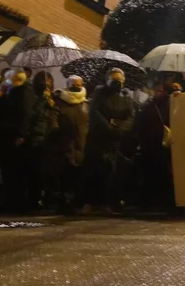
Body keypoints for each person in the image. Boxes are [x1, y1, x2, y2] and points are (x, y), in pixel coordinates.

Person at [83, 69, 136, 213]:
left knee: (112, 172)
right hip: (99, 138)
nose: (117, 81)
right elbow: (95, 112)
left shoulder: (126, 96)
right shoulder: (99, 93)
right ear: (107, 79)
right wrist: (109, 128)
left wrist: (121, 129)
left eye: (120, 78)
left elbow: (131, 115)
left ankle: (108, 202)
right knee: (94, 169)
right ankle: (90, 201)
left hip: (116, 139)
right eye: (114, 78)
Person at [0, 68, 34, 211]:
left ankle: (13, 202)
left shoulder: (22, 93)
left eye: (7, 79)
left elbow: (24, 114)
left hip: (13, 137)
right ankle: (10, 200)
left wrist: (21, 134)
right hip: (9, 136)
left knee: (13, 171)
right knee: (9, 170)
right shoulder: (15, 92)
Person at [134, 77, 176, 212]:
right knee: (158, 174)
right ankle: (160, 203)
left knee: (157, 175)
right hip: (157, 145)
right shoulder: (153, 105)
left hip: (157, 145)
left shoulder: (153, 105)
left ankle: (154, 203)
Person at [54, 75, 89, 213]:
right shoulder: (60, 101)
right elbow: (54, 120)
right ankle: (64, 203)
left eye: (79, 84)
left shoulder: (85, 103)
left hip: (82, 143)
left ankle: (76, 202)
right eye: (73, 84)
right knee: (65, 174)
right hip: (65, 143)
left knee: (79, 174)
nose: (76, 87)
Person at [28, 71, 59, 210]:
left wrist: (53, 104)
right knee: (36, 172)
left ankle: (48, 199)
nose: (47, 84)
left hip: (50, 139)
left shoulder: (55, 97)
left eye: (49, 81)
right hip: (37, 137)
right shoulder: (34, 98)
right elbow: (34, 115)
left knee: (49, 172)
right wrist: (43, 101)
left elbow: (57, 114)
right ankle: (34, 200)